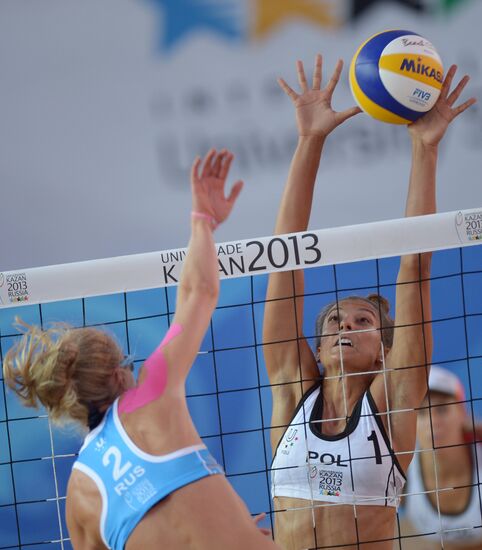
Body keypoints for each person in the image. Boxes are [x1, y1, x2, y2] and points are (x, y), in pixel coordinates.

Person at [3, 149, 279, 550]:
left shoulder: (80, 496)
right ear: (119, 373)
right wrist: (203, 222)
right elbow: (199, 290)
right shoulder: (150, 396)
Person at [263, 54, 476, 550]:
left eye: (363, 321)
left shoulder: (394, 400)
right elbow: (284, 262)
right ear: (316, 349)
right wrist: (309, 141)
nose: (346, 325)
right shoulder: (293, 393)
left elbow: (415, 268)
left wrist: (425, 149)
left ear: (385, 349)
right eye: (336, 319)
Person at [399, 365, 482, 549]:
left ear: (462, 413)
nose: (432, 421)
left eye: (442, 409)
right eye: (421, 412)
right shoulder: (399, 473)